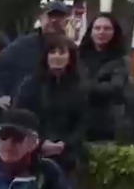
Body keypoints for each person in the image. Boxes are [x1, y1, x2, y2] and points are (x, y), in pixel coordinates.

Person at [14, 34, 86, 175]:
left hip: (66, 158)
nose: (57, 56)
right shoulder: (30, 84)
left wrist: (65, 144)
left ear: (70, 57)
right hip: (32, 156)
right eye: (52, 52)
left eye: (62, 52)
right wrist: (40, 143)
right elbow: (19, 118)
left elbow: (83, 121)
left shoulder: (78, 87)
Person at [0, 0, 72, 102]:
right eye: (50, 16)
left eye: (59, 17)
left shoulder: (72, 49)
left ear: (66, 21)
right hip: (26, 109)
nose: (54, 20)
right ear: (41, 19)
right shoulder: (23, 45)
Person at [78, 12, 130, 143]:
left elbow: (115, 88)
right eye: (97, 28)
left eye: (107, 28)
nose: (101, 32)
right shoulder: (78, 56)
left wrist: (84, 87)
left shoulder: (121, 60)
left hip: (104, 124)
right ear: (91, 31)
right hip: (75, 121)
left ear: (114, 32)